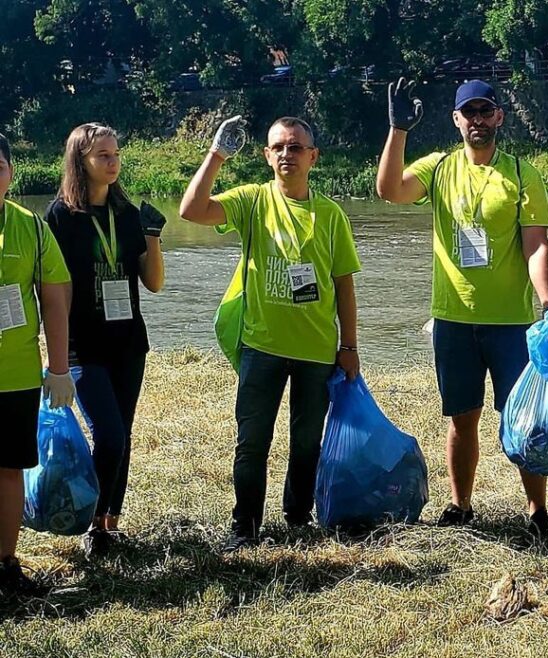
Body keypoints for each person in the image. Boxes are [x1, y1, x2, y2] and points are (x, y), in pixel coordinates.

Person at [376, 79, 548, 537]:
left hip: (511, 322)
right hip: (453, 319)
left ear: (499, 116)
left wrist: (547, 304)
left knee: (524, 419)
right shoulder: (439, 169)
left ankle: (536, 509)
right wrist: (398, 130)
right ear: (456, 120)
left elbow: (536, 245)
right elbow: (389, 190)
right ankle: (460, 505)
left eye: (485, 111)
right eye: (468, 112)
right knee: (462, 416)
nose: (477, 119)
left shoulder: (521, 173)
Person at [179, 116, 361, 552]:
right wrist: (217, 154)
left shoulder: (331, 214)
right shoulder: (252, 201)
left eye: (296, 147)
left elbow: (344, 284)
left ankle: (297, 520)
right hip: (261, 347)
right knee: (252, 443)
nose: (286, 154)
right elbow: (191, 210)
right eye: (278, 147)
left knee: (305, 444)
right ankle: (245, 527)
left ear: (313, 157)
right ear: (265, 155)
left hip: (316, 350)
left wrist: (348, 345)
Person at [45, 123, 166, 559]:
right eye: (103, 156)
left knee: (124, 436)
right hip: (84, 346)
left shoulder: (128, 215)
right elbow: (55, 290)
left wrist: (153, 238)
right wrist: (56, 355)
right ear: (80, 160)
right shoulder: (60, 217)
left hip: (129, 343)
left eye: (116, 155)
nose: (113, 163)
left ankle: (109, 524)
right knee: (109, 435)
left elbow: (152, 284)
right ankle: (91, 523)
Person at [0, 132, 74, 594]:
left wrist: (60, 367)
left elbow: (53, 300)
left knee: (8, 469)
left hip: (16, 376)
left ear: (9, 171)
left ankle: (4, 562)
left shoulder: (30, 226)